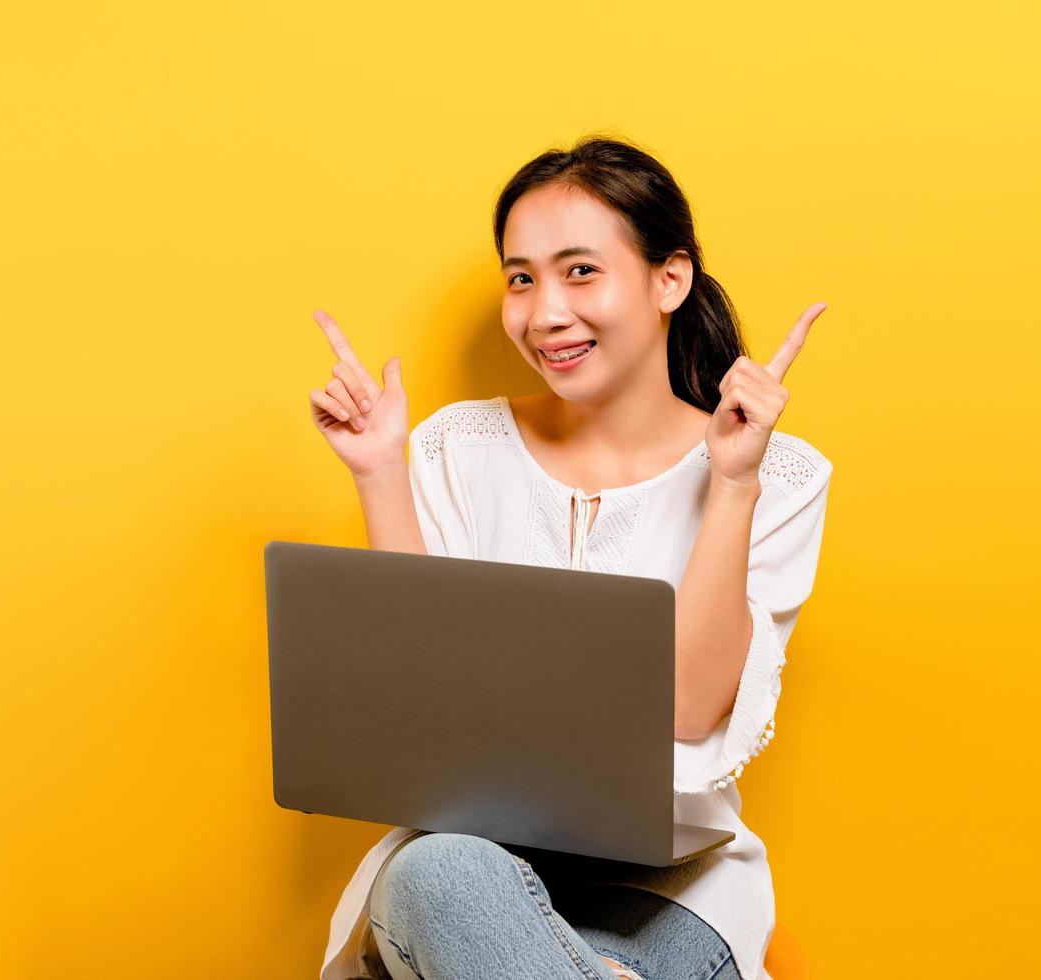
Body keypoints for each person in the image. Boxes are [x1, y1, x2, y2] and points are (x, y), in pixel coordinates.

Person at [302, 135, 833, 980]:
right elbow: (418, 707)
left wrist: (733, 484)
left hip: (670, 891)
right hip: (466, 870)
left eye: (580, 270)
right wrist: (379, 474)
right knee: (441, 875)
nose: (543, 312)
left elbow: (690, 712)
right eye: (521, 277)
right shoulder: (454, 450)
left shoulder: (783, 475)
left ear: (671, 279)